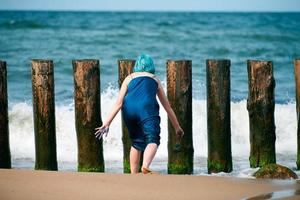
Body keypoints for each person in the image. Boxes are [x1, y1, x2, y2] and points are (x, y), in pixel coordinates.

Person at [95, 54, 184, 174]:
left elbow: (118, 103)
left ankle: (133, 174)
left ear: (137, 66)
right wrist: (177, 127)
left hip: (128, 109)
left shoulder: (129, 77)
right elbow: (167, 106)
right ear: (151, 66)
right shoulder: (154, 78)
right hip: (146, 108)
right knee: (153, 138)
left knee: (137, 142)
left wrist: (107, 123)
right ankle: (145, 166)